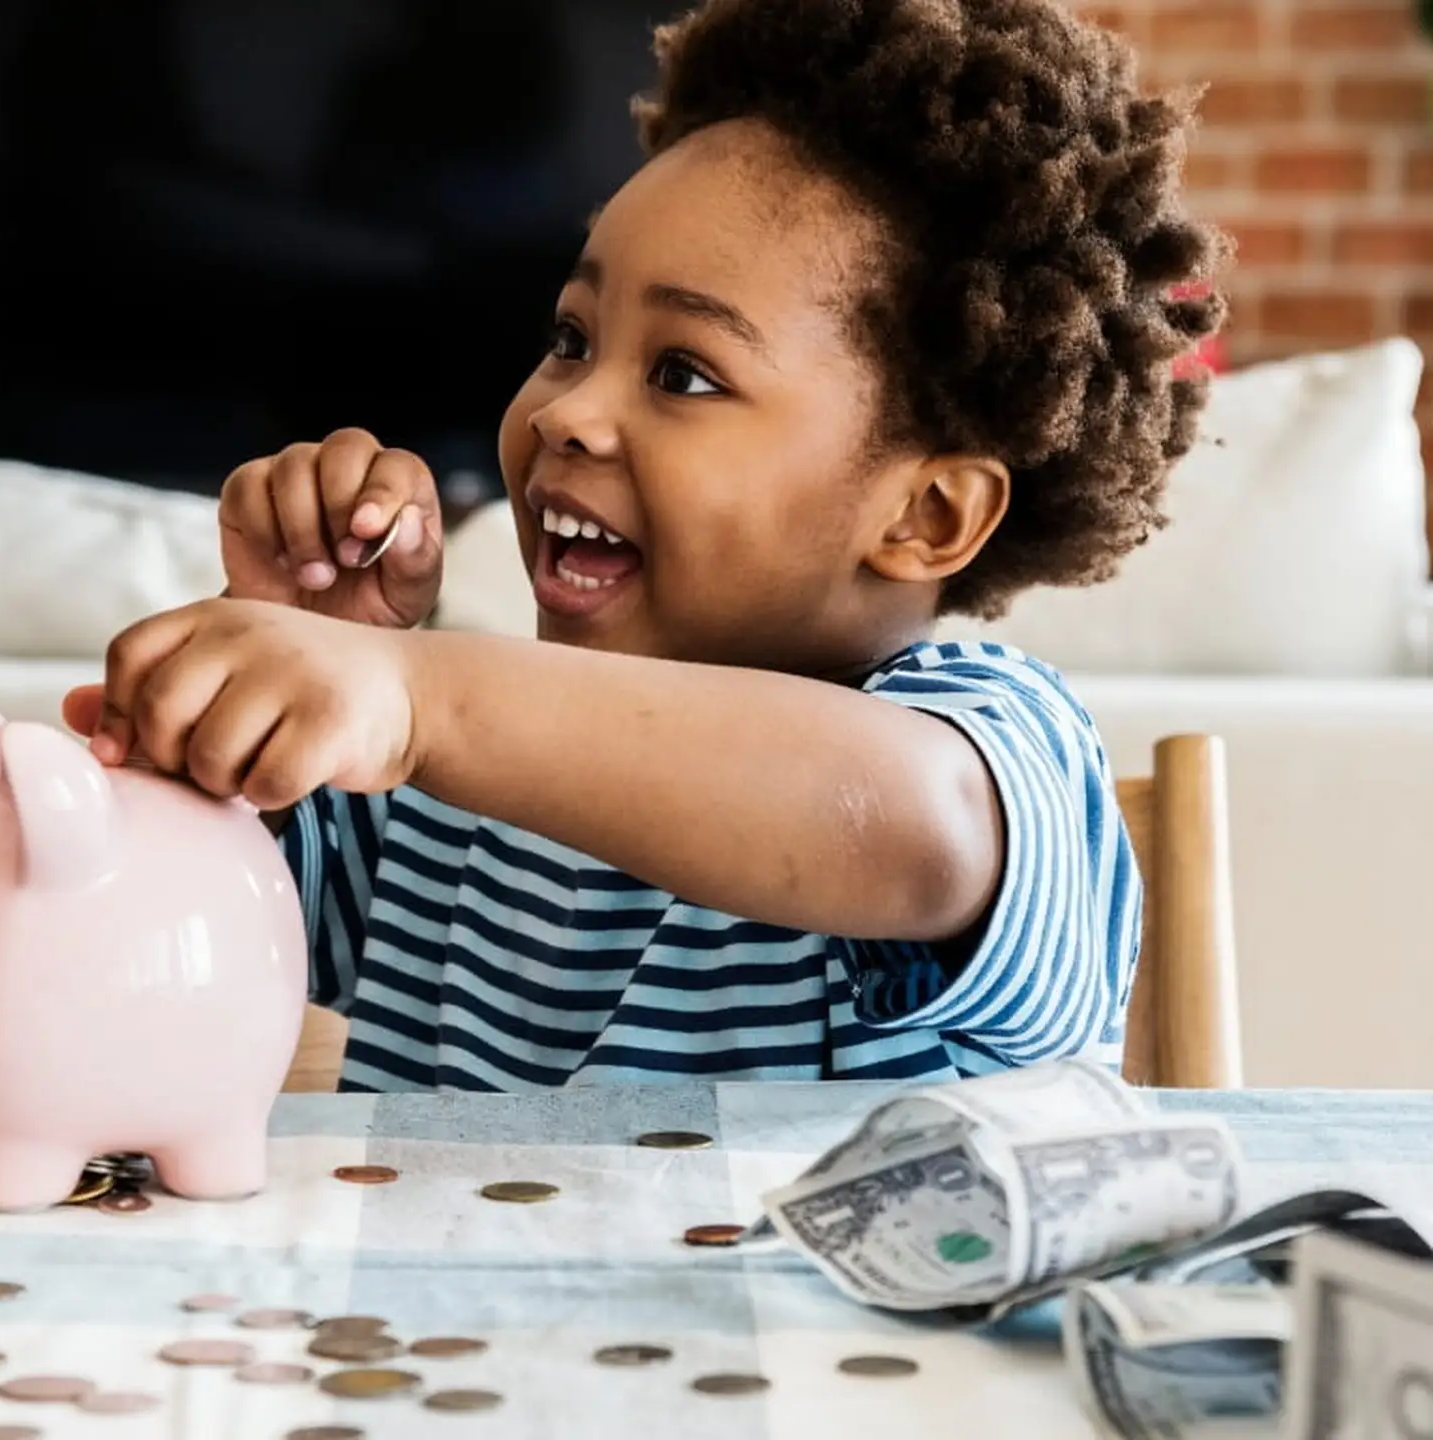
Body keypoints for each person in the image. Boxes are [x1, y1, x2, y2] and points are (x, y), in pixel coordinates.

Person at [62, 0, 1225, 1091]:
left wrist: (422, 695)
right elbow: (158, 943)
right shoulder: (443, 789)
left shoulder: (996, 746)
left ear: (924, 518)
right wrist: (290, 664)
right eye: (572, 337)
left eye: (683, 372)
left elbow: (922, 830)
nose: (566, 410)